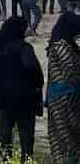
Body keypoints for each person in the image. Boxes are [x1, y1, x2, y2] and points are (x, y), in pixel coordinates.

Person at [0, 16, 44, 163]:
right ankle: (27, 159)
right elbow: (36, 73)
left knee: (5, 131)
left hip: (4, 97)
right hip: (25, 98)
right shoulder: (25, 48)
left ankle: (5, 158)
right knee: (26, 133)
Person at [46, 11, 80, 163]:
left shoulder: (59, 43)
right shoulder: (62, 46)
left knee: (60, 134)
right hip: (65, 98)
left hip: (58, 96)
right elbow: (70, 70)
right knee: (66, 135)